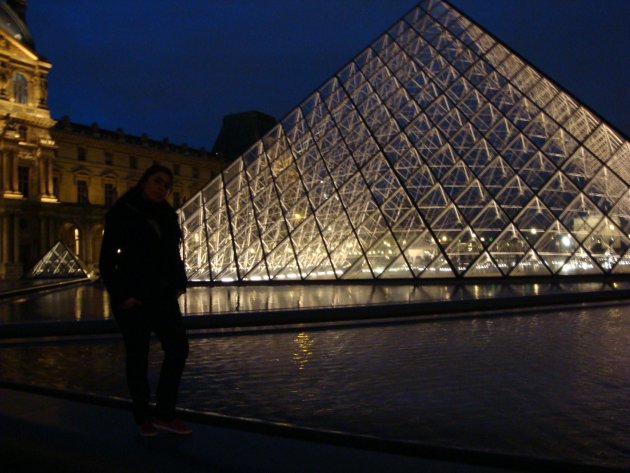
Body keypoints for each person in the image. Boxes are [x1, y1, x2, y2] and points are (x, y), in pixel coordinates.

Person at [99, 164, 191, 437]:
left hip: (162, 295)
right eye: (157, 181)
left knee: (178, 349)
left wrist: (179, 283)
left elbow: (173, 255)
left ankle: (164, 412)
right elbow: (107, 260)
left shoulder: (168, 216)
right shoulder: (123, 212)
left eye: (166, 185)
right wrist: (122, 295)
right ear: (144, 182)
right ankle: (143, 417)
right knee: (138, 358)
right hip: (134, 298)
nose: (161, 188)